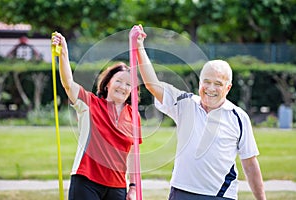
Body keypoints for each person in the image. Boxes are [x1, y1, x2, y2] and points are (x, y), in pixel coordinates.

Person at [131, 25, 266, 200]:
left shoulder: (238, 117)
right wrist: (139, 47)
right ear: (200, 82)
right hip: (181, 191)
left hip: (220, 195)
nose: (210, 88)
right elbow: (152, 84)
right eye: (206, 82)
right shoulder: (185, 103)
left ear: (228, 87)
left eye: (217, 83)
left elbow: (249, 164)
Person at [51, 32, 141, 200]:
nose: (123, 87)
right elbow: (68, 84)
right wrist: (63, 53)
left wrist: (133, 187)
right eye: (119, 81)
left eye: (129, 84)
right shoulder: (89, 103)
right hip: (86, 181)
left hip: (117, 186)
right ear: (108, 84)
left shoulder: (133, 115)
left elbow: (133, 154)